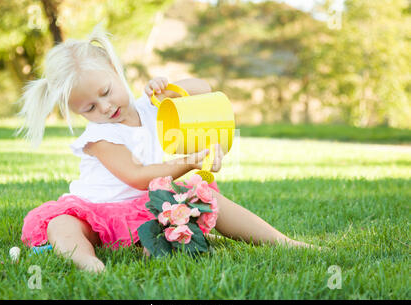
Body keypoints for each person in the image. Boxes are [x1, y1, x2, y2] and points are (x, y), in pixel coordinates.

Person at [17, 24, 313, 274]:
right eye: (90, 107)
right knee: (62, 225)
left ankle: (284, 242)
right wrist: (190, 162)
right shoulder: (99, 137)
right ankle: (89, 263)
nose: (105, 107)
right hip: (95, 212)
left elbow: (203, 88)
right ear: (76, 111)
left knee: (206, 200)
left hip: (146, 206)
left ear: (114, 69)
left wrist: (169, 87)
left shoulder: (152, 107)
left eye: (106, 92)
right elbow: (137, 175)